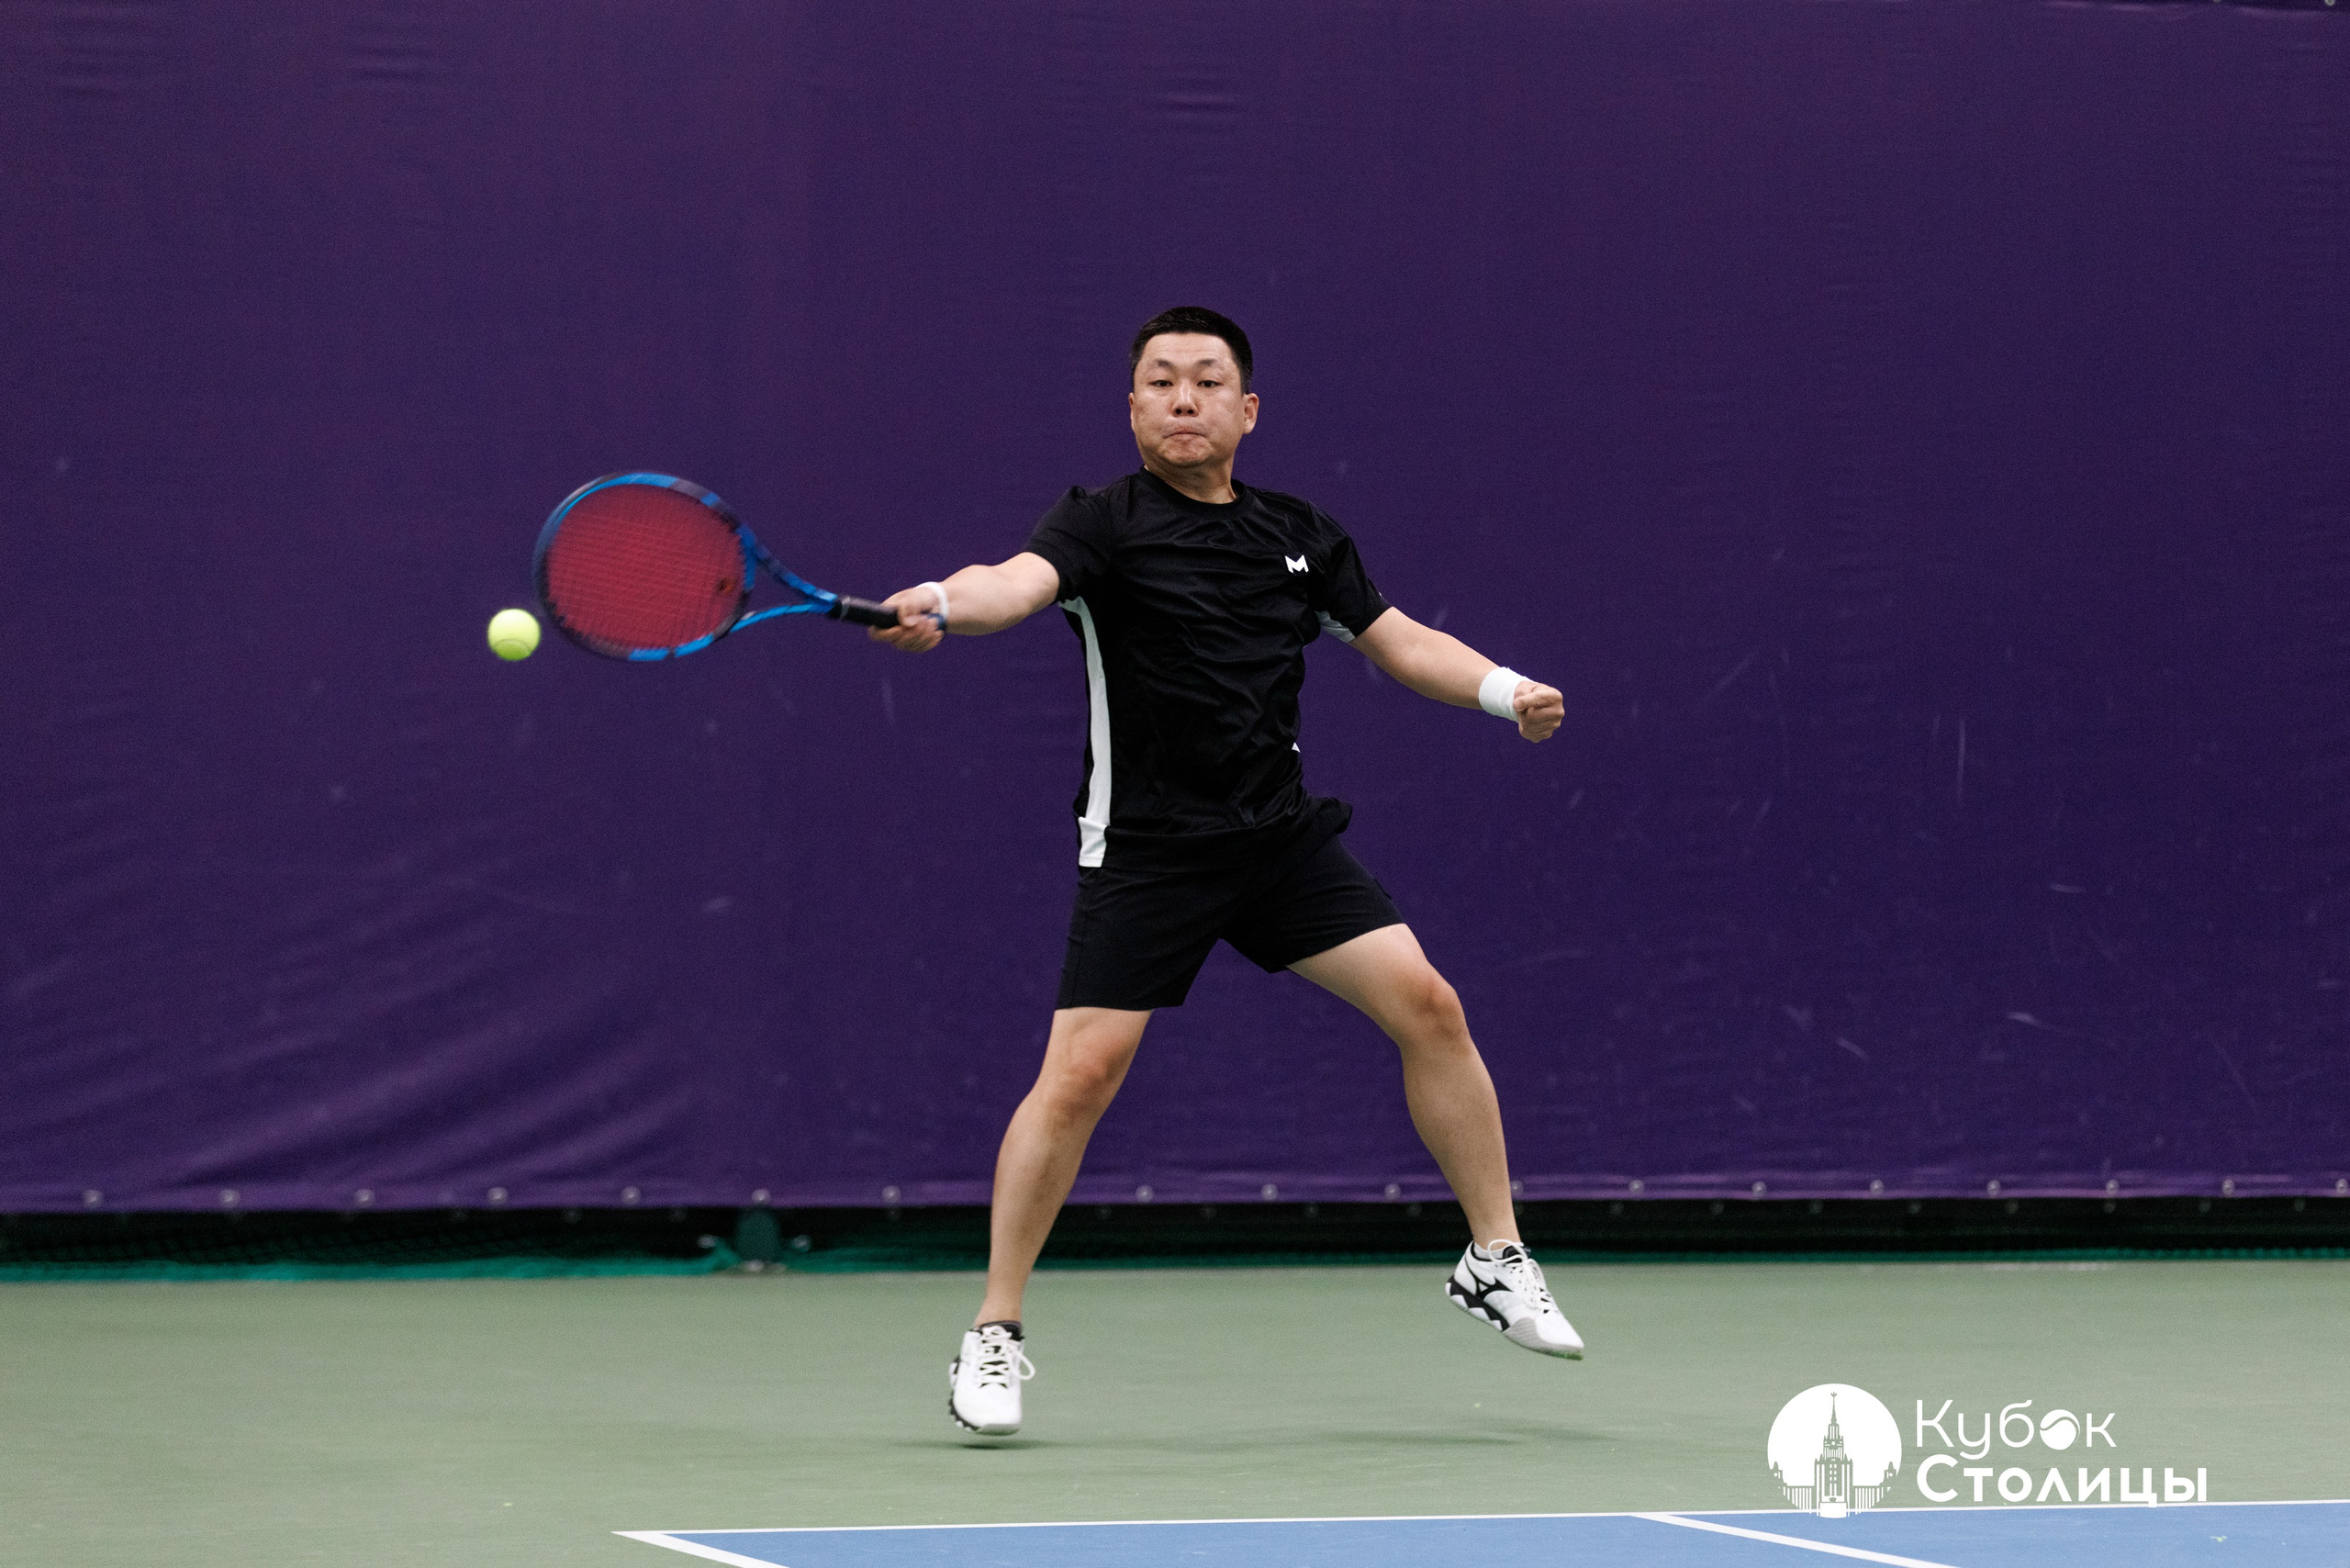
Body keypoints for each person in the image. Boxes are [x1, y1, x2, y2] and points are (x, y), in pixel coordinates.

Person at [870, 306, 1581, 1437]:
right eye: (1160, 381)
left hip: (1277, 841)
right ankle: (994, 1332)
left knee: (1429, 1005)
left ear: (1246, 410)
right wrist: (944, 604)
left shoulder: (1299, 536)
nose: (1183, 398)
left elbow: (1402, 642)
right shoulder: (1099, 522)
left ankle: (1494, 1256)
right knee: (1080, 1076)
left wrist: (1505, 691)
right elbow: (1012, 582)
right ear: (1133, 407)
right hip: (1149, 851)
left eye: (1206, 381)